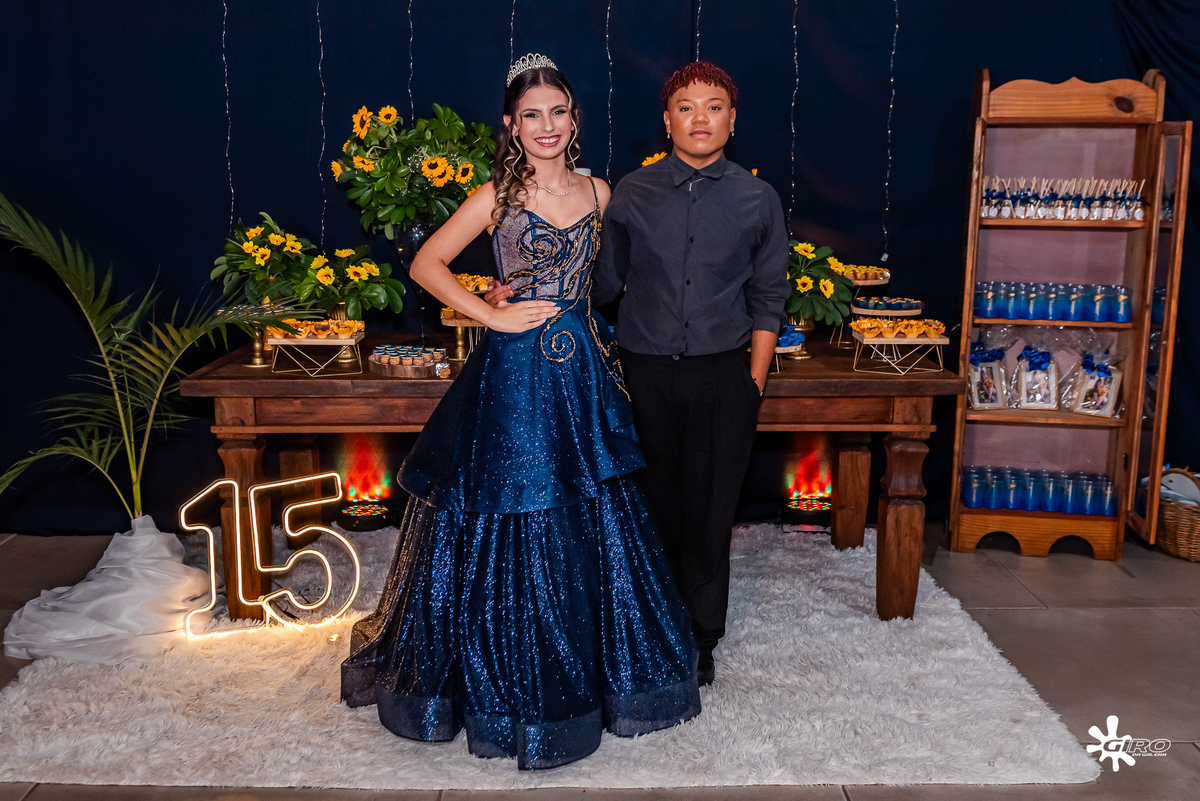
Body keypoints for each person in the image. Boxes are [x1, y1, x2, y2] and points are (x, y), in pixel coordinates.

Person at [341, 54, 700, 772]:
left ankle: (592, 667)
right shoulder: (496, 196)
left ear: (574, 119)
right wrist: (490, 313)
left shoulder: (601, 191)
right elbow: (426, 264)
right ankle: (501, 676)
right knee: (514, 502)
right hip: (513, 373)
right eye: (531, 115)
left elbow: (618, 277)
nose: (546, 125)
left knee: (589, 504)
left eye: (557, 112)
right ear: (511, 125)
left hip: (583, 369)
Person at [590, 62, 789, 686]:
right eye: (685, 106)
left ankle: (701, 639)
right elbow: (602, 286)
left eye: (713, 106)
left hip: (725, 376)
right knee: (653, 508)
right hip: (643, 374)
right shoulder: (632, 193)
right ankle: (650, 626)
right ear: (667, 119)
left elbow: (769, 296)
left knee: (709, 513)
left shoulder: (757, 199)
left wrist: (752, 382)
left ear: (732, 119)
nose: (699, 118)